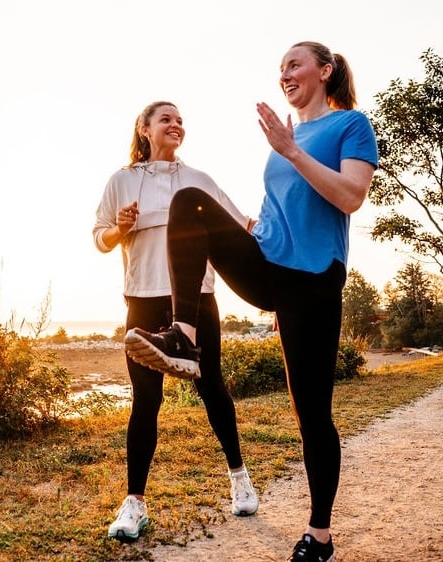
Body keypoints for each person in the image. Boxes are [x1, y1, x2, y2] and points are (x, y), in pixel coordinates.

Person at [124, 42, 378, 561]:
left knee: (312, 414)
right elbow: (276, 208)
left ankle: (320, 535)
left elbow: (351, 196)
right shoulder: (285, 137)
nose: (284, 74)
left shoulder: (349, 125)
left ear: (324, 71)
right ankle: (185, 337)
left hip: (312, 281)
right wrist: (252, 226)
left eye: (294, 64)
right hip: (268, 266)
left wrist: (290, 150)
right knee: (189, 203)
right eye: (280, 68)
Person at [93, 101, 259, 542]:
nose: (176, 125)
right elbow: (99, 238)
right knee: (145, 400)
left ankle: (239, 478)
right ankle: (135, 504)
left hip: (196, 299)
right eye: (166, 119)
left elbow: (241, 228)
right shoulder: (121, 181)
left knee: (212, 386)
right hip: (142, 299)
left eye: (181, 120)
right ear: (144, 129)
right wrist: (119, 228)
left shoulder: (199, 181)